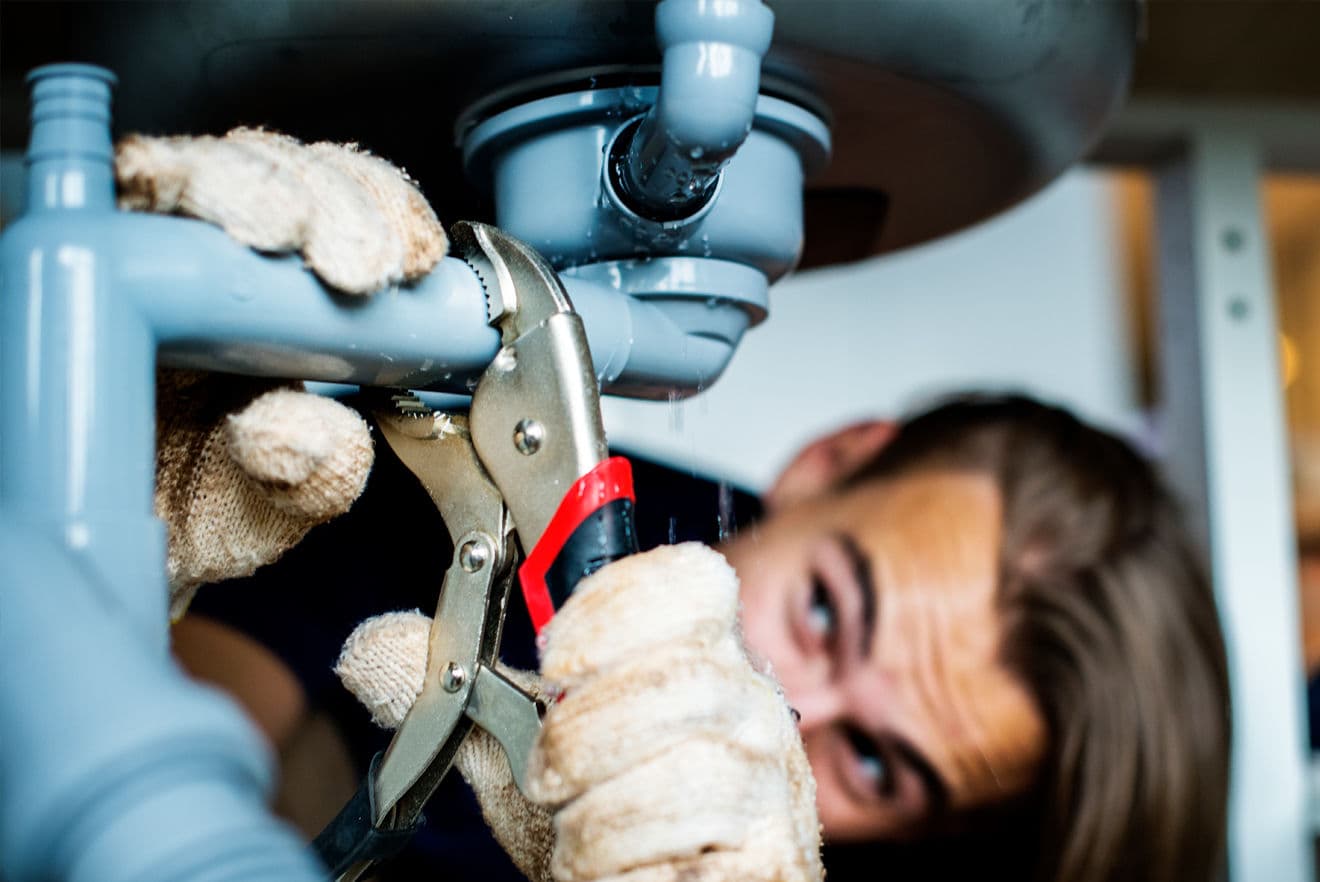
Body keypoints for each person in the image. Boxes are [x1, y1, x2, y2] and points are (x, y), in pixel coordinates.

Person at [128, 131, 1230, 882]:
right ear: (832, 463)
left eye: (880, 766)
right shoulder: (472, 479)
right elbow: (191, 744)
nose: (776, 703)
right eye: (826, 612)